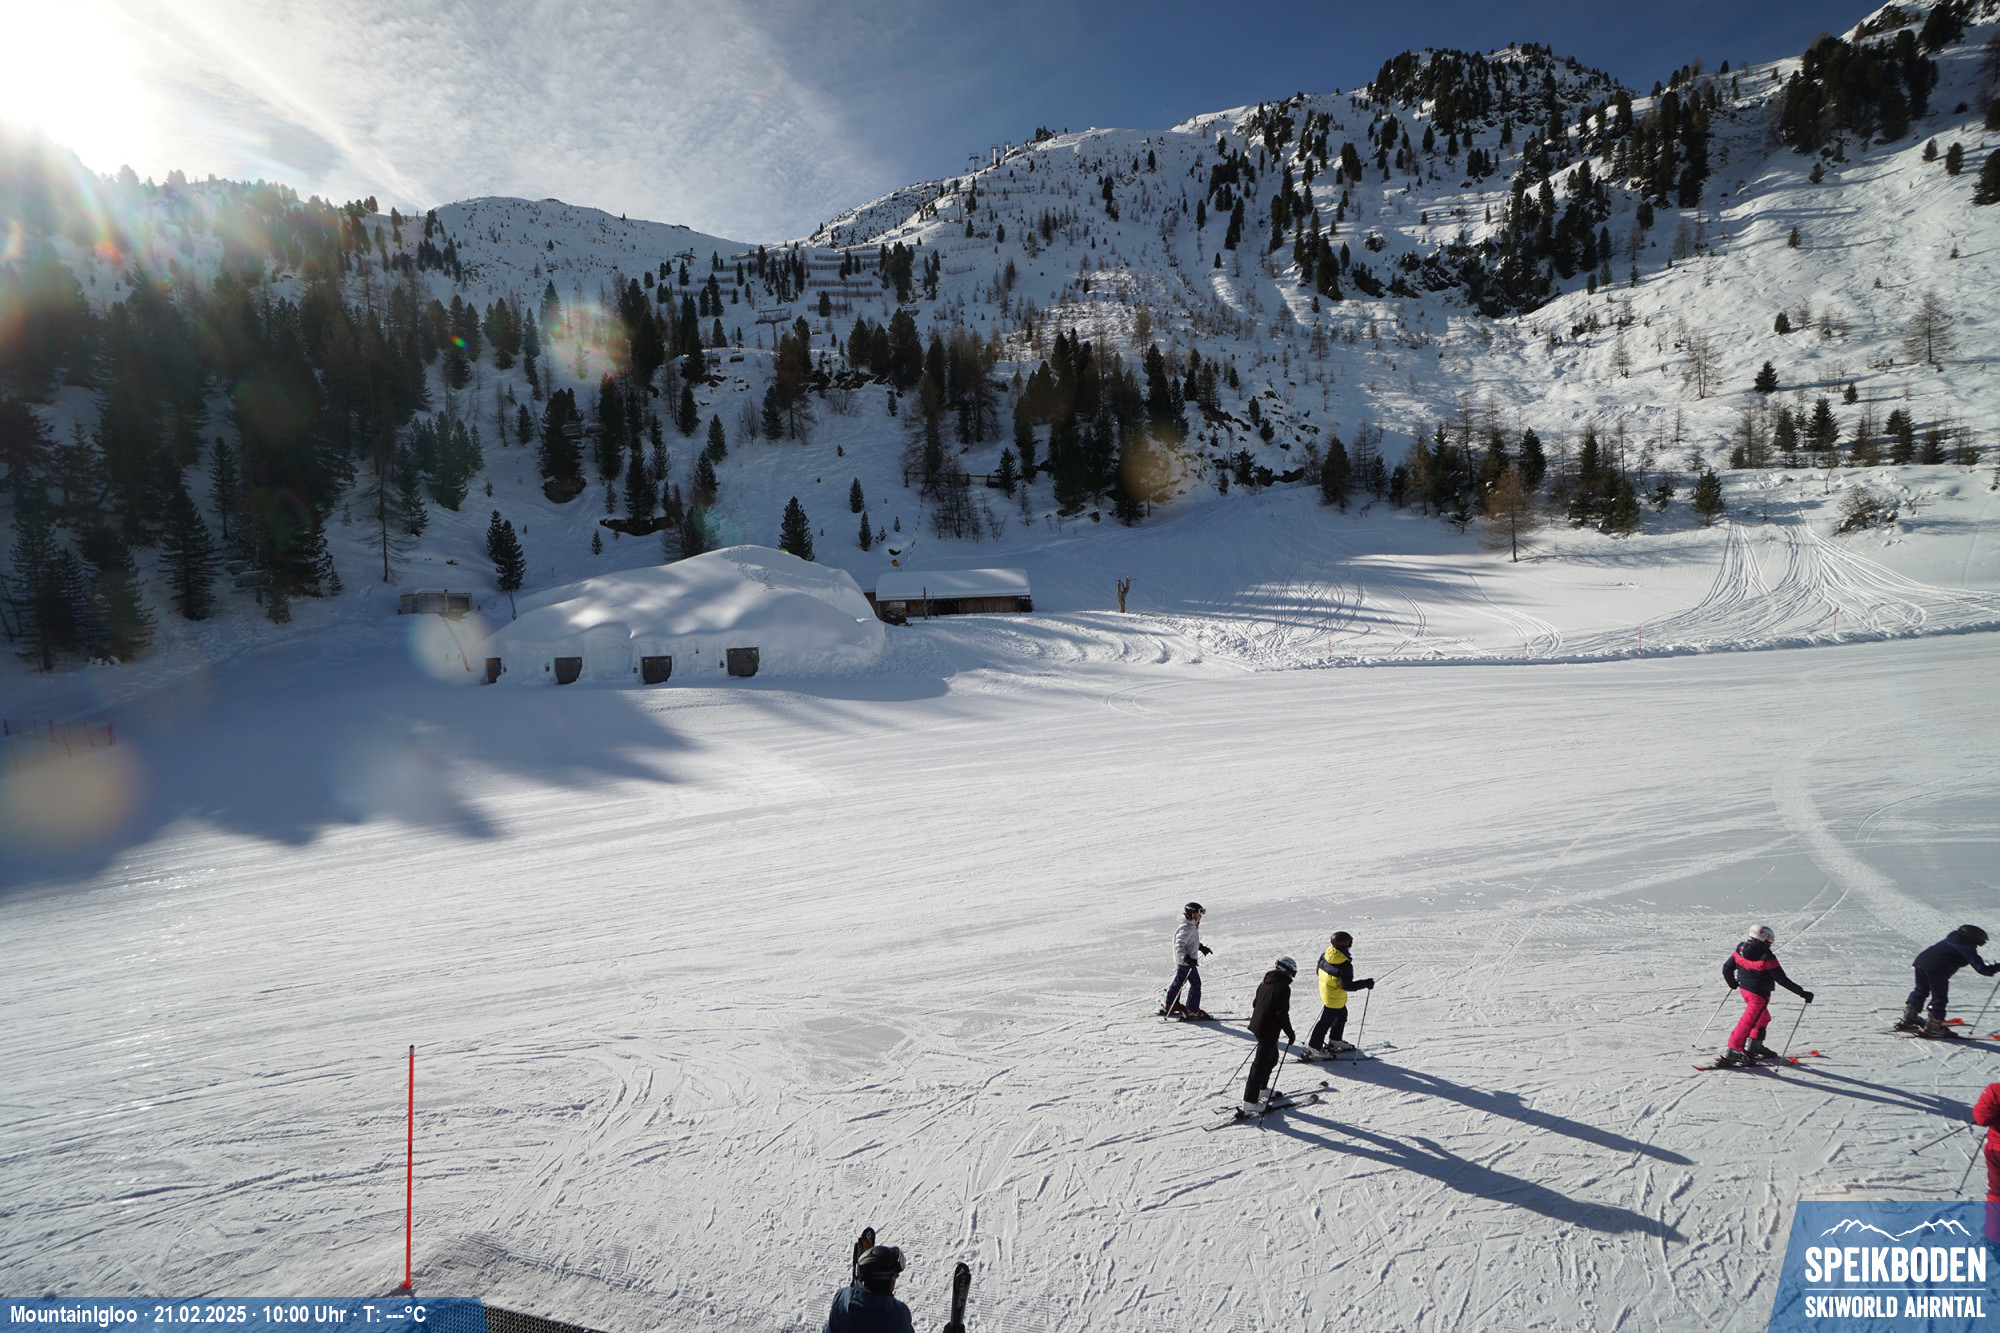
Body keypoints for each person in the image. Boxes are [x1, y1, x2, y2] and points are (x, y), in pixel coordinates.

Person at [1717, 925, 1813, 1066]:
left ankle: (1755, 1047)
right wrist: (1802, 993)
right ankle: (1734, 1051)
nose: (1770, 944)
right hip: (1758, 996)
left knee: (1763, 1018)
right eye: (1769, 941)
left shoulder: (1741, 949)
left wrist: (1732, 983)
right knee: (1748, 1022)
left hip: (1746, 991)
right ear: (1764, 939)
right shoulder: (1767, 957)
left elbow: (1727, 968)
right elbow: (1781, 979)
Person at [1899, 925, 1998, 1035]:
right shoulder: (1966, 948)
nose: (1979, 945)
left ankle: (1909, 1017)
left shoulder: (1952, 939)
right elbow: (1983, 970)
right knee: (1939, 997)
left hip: (1920, 963)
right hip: (1937, 969)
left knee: (1921, 991)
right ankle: (1934, 1026)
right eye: (1980, 942)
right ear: (1972, 938)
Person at [1243, 956, 1298, 1113]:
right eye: (1292, 973)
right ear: (1286, 971)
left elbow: (1255, 1003)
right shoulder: (1283, 987)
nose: (1292, 977)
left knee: (1272, 1058)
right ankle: (1250, 1102)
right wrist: (1290, 1033)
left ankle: (1262, 1089)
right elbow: (1281, 1014)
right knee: (1259, 1066)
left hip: (1258, 1026)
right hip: (1267, 1029)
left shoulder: (1265, 981)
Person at [1308, 931, 1374, 1056]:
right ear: (1345, 945)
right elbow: (1347, 986)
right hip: (1334, 998)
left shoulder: (1325, 955)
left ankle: (1335, 1040)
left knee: (1341, 1015)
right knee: (1325, 1022)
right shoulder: (1345, 965)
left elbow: (1318, 972)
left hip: (1327, 992)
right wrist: (1365, 983)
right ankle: (1314, 1048)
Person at [824, 1244, 915, 1333]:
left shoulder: (841, 1298)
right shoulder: (899, 1315)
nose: (897, 1277)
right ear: (883, 1282)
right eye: (895, 1276)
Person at [1159, 901, 1213, 1019]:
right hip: (1186, 962)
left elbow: (1190, 942)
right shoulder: (1187, 928)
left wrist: (1200, 947)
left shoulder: (1190, 925)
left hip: (1184, 961)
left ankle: (1171, 1004)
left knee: (1179, 982)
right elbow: (1179, 946)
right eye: (1199, 913)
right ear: (1192, 914)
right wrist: (1187, 959)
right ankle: (1192, 1010)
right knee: (1196, 984)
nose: (1201, 916)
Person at [1975, 1082, 2000, 1249]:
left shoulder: (1996, 1090)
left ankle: (1994, 1240)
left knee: (1998, 1194)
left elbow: (1981, 1118)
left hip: (1997, 1150)